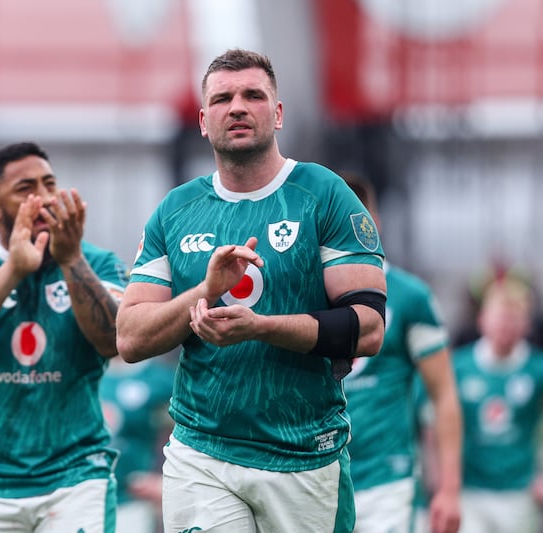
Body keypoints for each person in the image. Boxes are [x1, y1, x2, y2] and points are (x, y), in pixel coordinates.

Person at [116, 48, 387, 533]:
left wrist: (261, 328)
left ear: (277, 113)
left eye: (253, 95)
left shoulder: (323, 194)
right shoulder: (175, 211)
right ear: (203, 120)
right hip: (202, 453)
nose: (237, 107)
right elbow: (131, 337)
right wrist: (204, 290)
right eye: (222, 98)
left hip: (304, 454)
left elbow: (367, 328)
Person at [0, 142, 128, 533]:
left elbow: (115, 341)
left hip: (77, 477)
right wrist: (13, 270)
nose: (45, 197)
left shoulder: (98, 263)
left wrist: (71, 260)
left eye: (50, 183)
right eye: (25, 188)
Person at [340, 174, 461, 533]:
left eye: (359, 218)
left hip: (387, 479)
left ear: (373, 223)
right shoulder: (306, 296)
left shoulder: (410, 296)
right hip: (319, 479)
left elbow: (443, 393)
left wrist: (450, 490)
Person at [451, 277, 543, 533]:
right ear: (482, 319)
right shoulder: (458, 367)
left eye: (514, 318)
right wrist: (443, 481)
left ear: (526, 325)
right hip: (470, 495)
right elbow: (429, 421)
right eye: (500, 317)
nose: (506, 325)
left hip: (521, 497)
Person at [99, 353, 176, 533]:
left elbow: (190, 434)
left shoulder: (160, 379)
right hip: (81, 500)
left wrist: (165, 482)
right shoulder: (82, 372)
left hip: (131, 502)